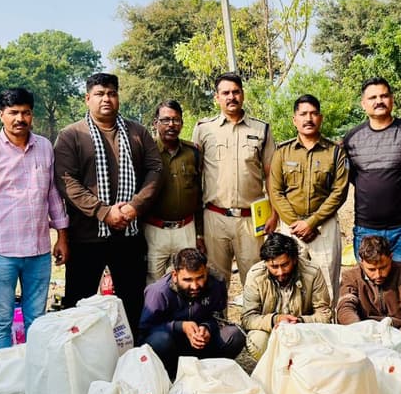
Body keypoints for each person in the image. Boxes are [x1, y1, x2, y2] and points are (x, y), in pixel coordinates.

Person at [54, 72, 163, 331]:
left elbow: (155, 170)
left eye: (112, 93)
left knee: (133, 300)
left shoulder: (137, 132)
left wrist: (133, 206)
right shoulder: (71, 135)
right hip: (86, 236)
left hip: (129, 234)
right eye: (100, 94)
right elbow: (67, 182)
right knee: (78, 303)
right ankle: (80, 361)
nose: (106, 99)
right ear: (87, 98)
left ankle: (134, 359)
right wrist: (103, 212)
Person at [0, 88, 70, 349]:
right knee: (0, 321)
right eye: (13, 113)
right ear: (1, 115)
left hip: (38, 250)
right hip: (0, 252)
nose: (19, 119)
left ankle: (35, 379)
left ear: (32, 115)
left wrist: (62, 237)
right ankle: (5, 384)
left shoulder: (44, 146)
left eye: (25, 113)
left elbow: (53, 195)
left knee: (37, 320)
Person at [192, 72, 276, 285]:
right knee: (215, 282)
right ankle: (218, 320)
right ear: (217, 97)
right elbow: (195, 178)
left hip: (251, 219)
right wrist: (198, 227)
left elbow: (271, 175)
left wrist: (274, 213)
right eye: (226, 93)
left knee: (255, 280)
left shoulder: (261, 129)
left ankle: (254, 319)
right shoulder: (203, 129)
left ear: (243, 95)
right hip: (215, 217)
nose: (231, 97)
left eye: (236, 92)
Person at [267, 94, 348, 297]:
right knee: (289, 282)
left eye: (313, 113)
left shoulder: (335, 152)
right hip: (290, 227)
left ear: (320, 118)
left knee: (328, 284)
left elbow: (339, 192)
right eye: (303, 114)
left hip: (324, 227)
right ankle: (295, 327)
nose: (308, 118)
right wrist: (297, 224)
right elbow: (275, 191)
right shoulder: (282, 152)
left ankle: (328, 326)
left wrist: (312, 223)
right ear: (295, 119)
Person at [344, 77, 401, 265]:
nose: (379, 101)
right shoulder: (352, 138)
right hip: (366, 227)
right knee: (369, 286)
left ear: (392, 99)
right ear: (363, 103)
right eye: (373, 97)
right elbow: (353, 177)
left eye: (384, 95)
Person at [337, 235, 401, 394]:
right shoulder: (350, 276)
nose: (378, 274)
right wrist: (362, 335)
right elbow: (345, 308)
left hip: (400, 333)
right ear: (361, 262)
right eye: (371, 270)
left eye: (383, 267)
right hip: (367, 334)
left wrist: (400, 341)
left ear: (391, 258)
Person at [139, 247, 246, 377]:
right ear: (175, 276)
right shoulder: (159, 292)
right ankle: (173, 376)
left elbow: (219, 318)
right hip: (172, 349)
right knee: (159, 341)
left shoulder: (216, 283)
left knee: (235, 334)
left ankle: (211, 371)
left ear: (206, 271)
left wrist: (206, 327)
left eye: (200, 278)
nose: (195, 286)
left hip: (202, 345)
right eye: (187, 280)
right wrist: (180, 326)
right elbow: (145, 330)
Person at [239, 232, 333, 359]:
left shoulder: (312, 272)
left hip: (303, 330)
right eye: (274, 266)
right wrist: (275, 320)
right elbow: (248, 318)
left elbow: (324, 314)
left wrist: (299, 322)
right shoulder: (255, 275)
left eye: (284, 265)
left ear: (294, 259)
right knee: (258, 341)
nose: (280, 272)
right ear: (266, 263)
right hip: (270, 330)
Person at [144, 100, 204, 284]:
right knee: (154, 280)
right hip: (155, 229)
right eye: (166, 120)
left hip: (185, 229)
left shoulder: (193, 152)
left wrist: (200, 234)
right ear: (156, 123)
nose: (171, 125)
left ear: (182, 123)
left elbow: (199, 193)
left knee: (187, 279)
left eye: (176, 120)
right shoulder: (146, 152)